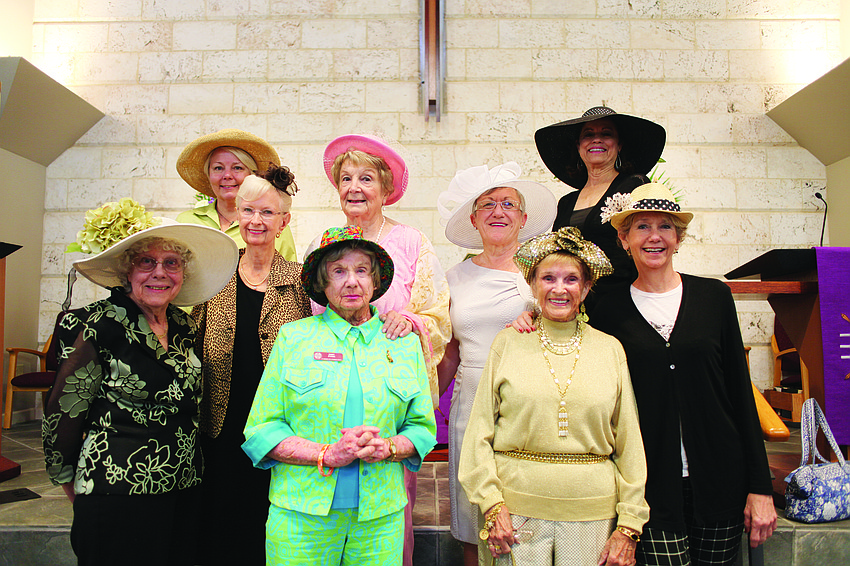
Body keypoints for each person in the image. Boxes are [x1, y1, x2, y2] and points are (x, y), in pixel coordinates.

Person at [43, 199, 238, 566]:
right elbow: (63, 410)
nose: (159, 273)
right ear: (126, 270)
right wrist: (69, 478)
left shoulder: (183, 326)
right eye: (146, 262)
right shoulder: (94, 324)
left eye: (171, 263)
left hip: (182, 488)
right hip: (116, 489)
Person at [590, 183, 777, 565]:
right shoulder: (606, 309)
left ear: (678, 238)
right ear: (624, 240)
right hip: (650, 488)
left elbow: (741, 395)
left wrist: (761, 488)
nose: (654, 236)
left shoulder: (714, 298)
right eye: (641, 227)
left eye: (665, 227)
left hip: (721, 481)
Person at [242, 226, 437, 565]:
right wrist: (328, 454)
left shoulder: (402, 343)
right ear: (322, 283)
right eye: (339, 271)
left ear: (376, 281)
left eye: (362, 270)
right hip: (301, 517)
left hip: (380, 520)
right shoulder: (294, 338)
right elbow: (262, 429)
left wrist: (388, 447)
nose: (352, 281)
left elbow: (423, 429)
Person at [459, 227, 648, 566]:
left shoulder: (610, 349)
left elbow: (630, 442)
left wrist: (630, 523)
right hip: (514, 512)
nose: (559, 289)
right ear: (532, 286)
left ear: (586, 288)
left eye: (571, 280)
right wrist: (490, 502)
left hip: (593, 514)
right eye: (548, 278)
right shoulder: (508, 343)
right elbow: (478, 433)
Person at [310, 133, 451, 566]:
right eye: (346, 177)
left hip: (387, 392)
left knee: (389, 511)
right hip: (332, 395)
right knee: (329, 505)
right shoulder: (325, 241)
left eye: (366, 178)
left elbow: (438, 316)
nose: (355, 187)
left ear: (385, 189)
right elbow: (312, 316)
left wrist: (409, 320)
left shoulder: (411, 242)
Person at [435, 161, 556, 565]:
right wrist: (425, 401)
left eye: (508, 204)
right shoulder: (455, 277)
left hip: (530, 404)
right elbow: (450, 350)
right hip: (471, 402)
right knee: (475, 527)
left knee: (527, 525)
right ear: (473, 218)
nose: (498, 212)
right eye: (487, 205)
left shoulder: (542, 273)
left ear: (523, 218)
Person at [191, 165, 312, 565]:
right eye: (248, 211)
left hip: (279, 428)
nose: (256, 221)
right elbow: (188, 339)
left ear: (284, 222)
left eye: (267, 213)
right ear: (237, 216)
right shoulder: (214, 276)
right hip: (220, 425)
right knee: (220, 526)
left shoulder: (302, 282)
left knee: (269, 528)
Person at [535, 106, 665, 306]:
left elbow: (648, 243)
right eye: (588, 134)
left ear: (619, 144)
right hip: (573, 305)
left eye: (606, 133)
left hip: (623, 301)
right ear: (578, 145)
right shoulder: (566, 202)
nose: (597, 139)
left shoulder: (633, 186)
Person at [176, 128, 297, 261]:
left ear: (251, 175)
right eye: (218, 168)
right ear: (208, 175)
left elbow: (290, 277)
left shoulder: (273, 224)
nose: (227, 175)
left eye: (237, 168)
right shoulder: (185, 222)